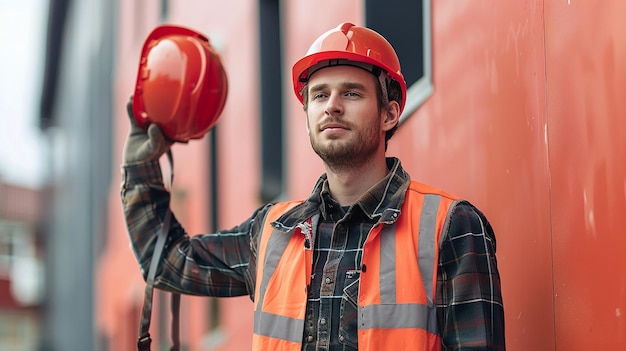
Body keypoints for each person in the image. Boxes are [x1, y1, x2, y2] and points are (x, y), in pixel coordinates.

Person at [121, 22, 505, 350]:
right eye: (319, 95)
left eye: (351, 93)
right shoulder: (272, 233)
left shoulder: (449, 228)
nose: (332, 106)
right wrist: (141, 166)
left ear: (390, 113)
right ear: (307, 117)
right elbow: (168, 261)